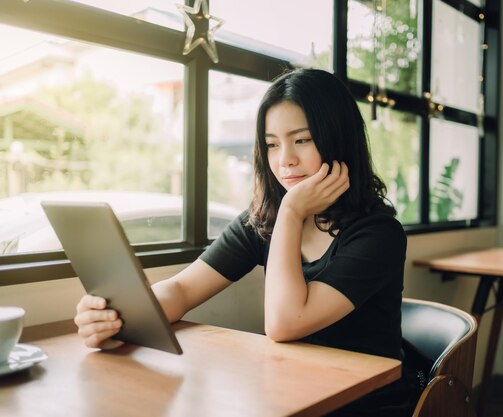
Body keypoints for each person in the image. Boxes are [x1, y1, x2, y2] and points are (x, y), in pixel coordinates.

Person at [74, 68, 419, 416]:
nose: (284, 160)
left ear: (338, 139)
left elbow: (284, 324)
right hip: (293, 394)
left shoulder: (378, 234)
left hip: (369, 404)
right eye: (271, 144)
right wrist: (119, 317)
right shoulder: (264, 219)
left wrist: (291, 211)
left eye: (302, 140)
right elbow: (181, 290)